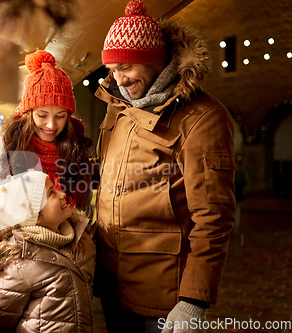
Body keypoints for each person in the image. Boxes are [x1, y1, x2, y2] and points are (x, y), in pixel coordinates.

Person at [93, 1, 236, 332]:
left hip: (162, 296)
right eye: (112, 70)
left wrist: (193, 300)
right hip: (113, 284)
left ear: (155, 61)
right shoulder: (121, 107)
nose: (119, 80)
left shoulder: (203, 118)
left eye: (126, 67)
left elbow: (213, 219)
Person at [0, 50, 93, 268]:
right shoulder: (1, 150)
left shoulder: (76, 154)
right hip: (15, 264)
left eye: (60, 116)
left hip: (66, 265)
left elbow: (83, 211)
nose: (51, 125)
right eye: (42, 115)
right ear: (28, 112)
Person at [0, 170, 96, 332]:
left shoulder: (81, 240)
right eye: (51, 194)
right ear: (35, 216)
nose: (62, 194)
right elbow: (0, 321)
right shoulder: (18, 264)